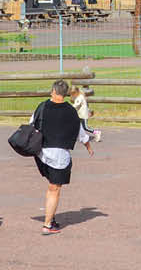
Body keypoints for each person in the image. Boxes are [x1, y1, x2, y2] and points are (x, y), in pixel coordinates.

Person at [35, 79, 84, 233]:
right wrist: (87, 144)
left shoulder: (42, 106)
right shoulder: (70, 111)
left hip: (41, 154)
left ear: (53, 91)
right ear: (65, 94)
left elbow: (32, 123)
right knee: (54, 189)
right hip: (59, 155)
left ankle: (51, 217)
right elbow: (80, 132)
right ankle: (47, 224)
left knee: (51, 186)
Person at [69, 84, 102, 152]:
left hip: (83, 115)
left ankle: (96, 132)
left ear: (76, 92)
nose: (72, 95)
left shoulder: (80, 97)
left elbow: (76, 105)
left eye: (73, 94)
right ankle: (74, 137)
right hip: (79, 114)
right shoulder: (79, 97)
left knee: (85, 127)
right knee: (76, 125)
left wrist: (69, 107)